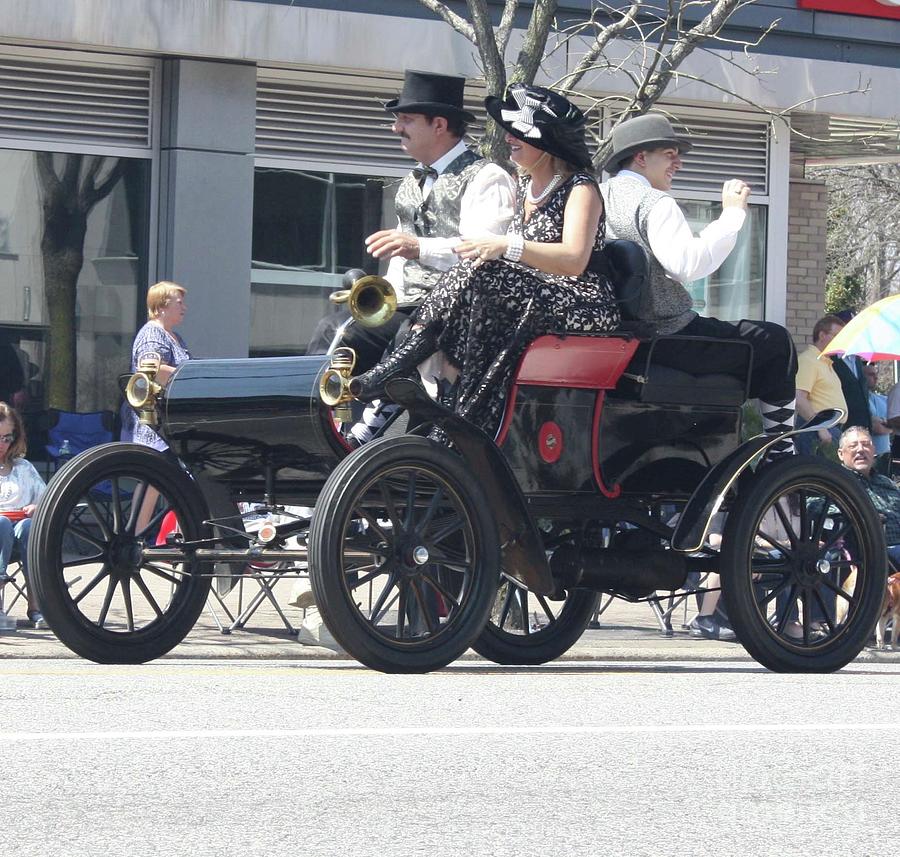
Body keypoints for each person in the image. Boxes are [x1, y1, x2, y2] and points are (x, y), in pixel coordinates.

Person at [348, 82, 620, 439]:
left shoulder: (580, 187)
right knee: (477, 281)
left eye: (519, 132)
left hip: (582, 300)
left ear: (547, 142)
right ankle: (448, 400)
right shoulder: (521, 186)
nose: (509, 138)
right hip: (534, 294)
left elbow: (573, 260)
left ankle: (418, 375)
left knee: (488, 271)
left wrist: (507, 245)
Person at [599, 113, 797, 458]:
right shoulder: (655, 203)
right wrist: (732, 215)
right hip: (667, 337)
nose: (678, 162)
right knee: (776, 341)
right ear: (641, 157)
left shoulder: (596, 196)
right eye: (669, 153)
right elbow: (687, 265)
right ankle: (780, 449)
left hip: (617, 339)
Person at [346, 70, 516, 447]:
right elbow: (399, 258)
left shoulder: (487, 177)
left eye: (405, 120)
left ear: (439, 125)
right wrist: (378, 299)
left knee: (410, 335)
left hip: (460, 313)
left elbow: (481, 255)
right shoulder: (412, 180)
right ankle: (325, 418)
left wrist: (417, 247)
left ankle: (371, 430)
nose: (396, 129)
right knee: (346, 334)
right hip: (409, 302)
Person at [121, 281, 191, 451]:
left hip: (168, 426)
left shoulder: (174, 336)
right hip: (153, 431)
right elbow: (153, 371)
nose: (185, 308)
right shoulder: (153, 334)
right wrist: (191, 380)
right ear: (161, 307)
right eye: (179, 303)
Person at [0, 402, 47, 628]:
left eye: (7, 438)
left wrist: (38, 507)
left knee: (29, 527)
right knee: (1, 523)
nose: (2, 445)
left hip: (21, 540)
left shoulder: (24, 468)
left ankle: (37, 606)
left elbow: (49, 500)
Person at [837, 426, 900, 566]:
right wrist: (862, 514)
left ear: (874, 451)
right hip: (872, 550)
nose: (860, 449)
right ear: (841, 454)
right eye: (853, 446)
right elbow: (816, 506)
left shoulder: (886, 482)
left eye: (866, 444)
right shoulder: (837, 482)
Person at [793, 314, 848, 456]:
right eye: (836, 336)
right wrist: (820, 428)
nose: (839, 341)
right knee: (817, 477)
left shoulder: (825, 362)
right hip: (818, 431)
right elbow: (799, 398)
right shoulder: (809, 360)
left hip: (829, 429)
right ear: (822, 335)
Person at [863, 362, 893, 475]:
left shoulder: (884, 399)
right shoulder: (859, 401)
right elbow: (877, 428)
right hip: (866, 456)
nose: (875, 377)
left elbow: (894, 424)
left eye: (876, 374)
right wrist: (887, 424)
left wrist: (888, 425)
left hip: (885, 455)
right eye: (871, 374)